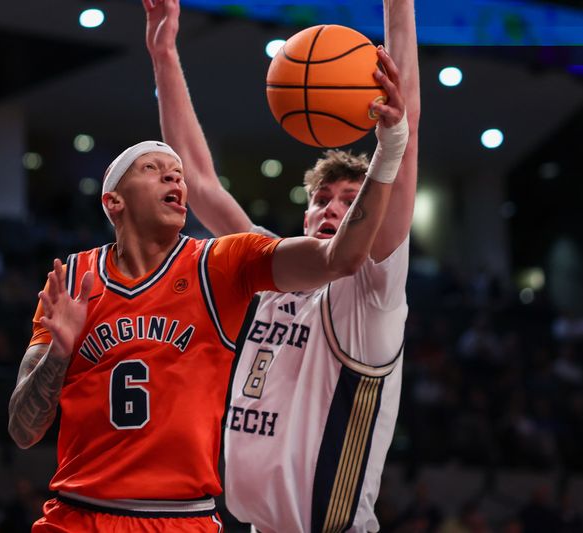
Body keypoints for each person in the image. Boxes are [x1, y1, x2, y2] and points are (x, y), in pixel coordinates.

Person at [7, 69, 406, 532]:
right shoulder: (72, 280)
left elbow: (342, 258)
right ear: (113, 201)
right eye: (154, 169)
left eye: (177, 173)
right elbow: (23, 429)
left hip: (181, 519)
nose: (174, 177)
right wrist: (58, 351)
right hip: (77, 512)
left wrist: (391, 145)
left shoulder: (221, 262)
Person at [144, 0, 419, 530]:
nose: (334, 207)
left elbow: (404, 154)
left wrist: (398, 9)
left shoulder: (372, 293)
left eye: (349, 199)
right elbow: (198, 182)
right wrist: (162, 52)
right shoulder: (270, 268)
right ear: (306, 211)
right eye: (324, 198)